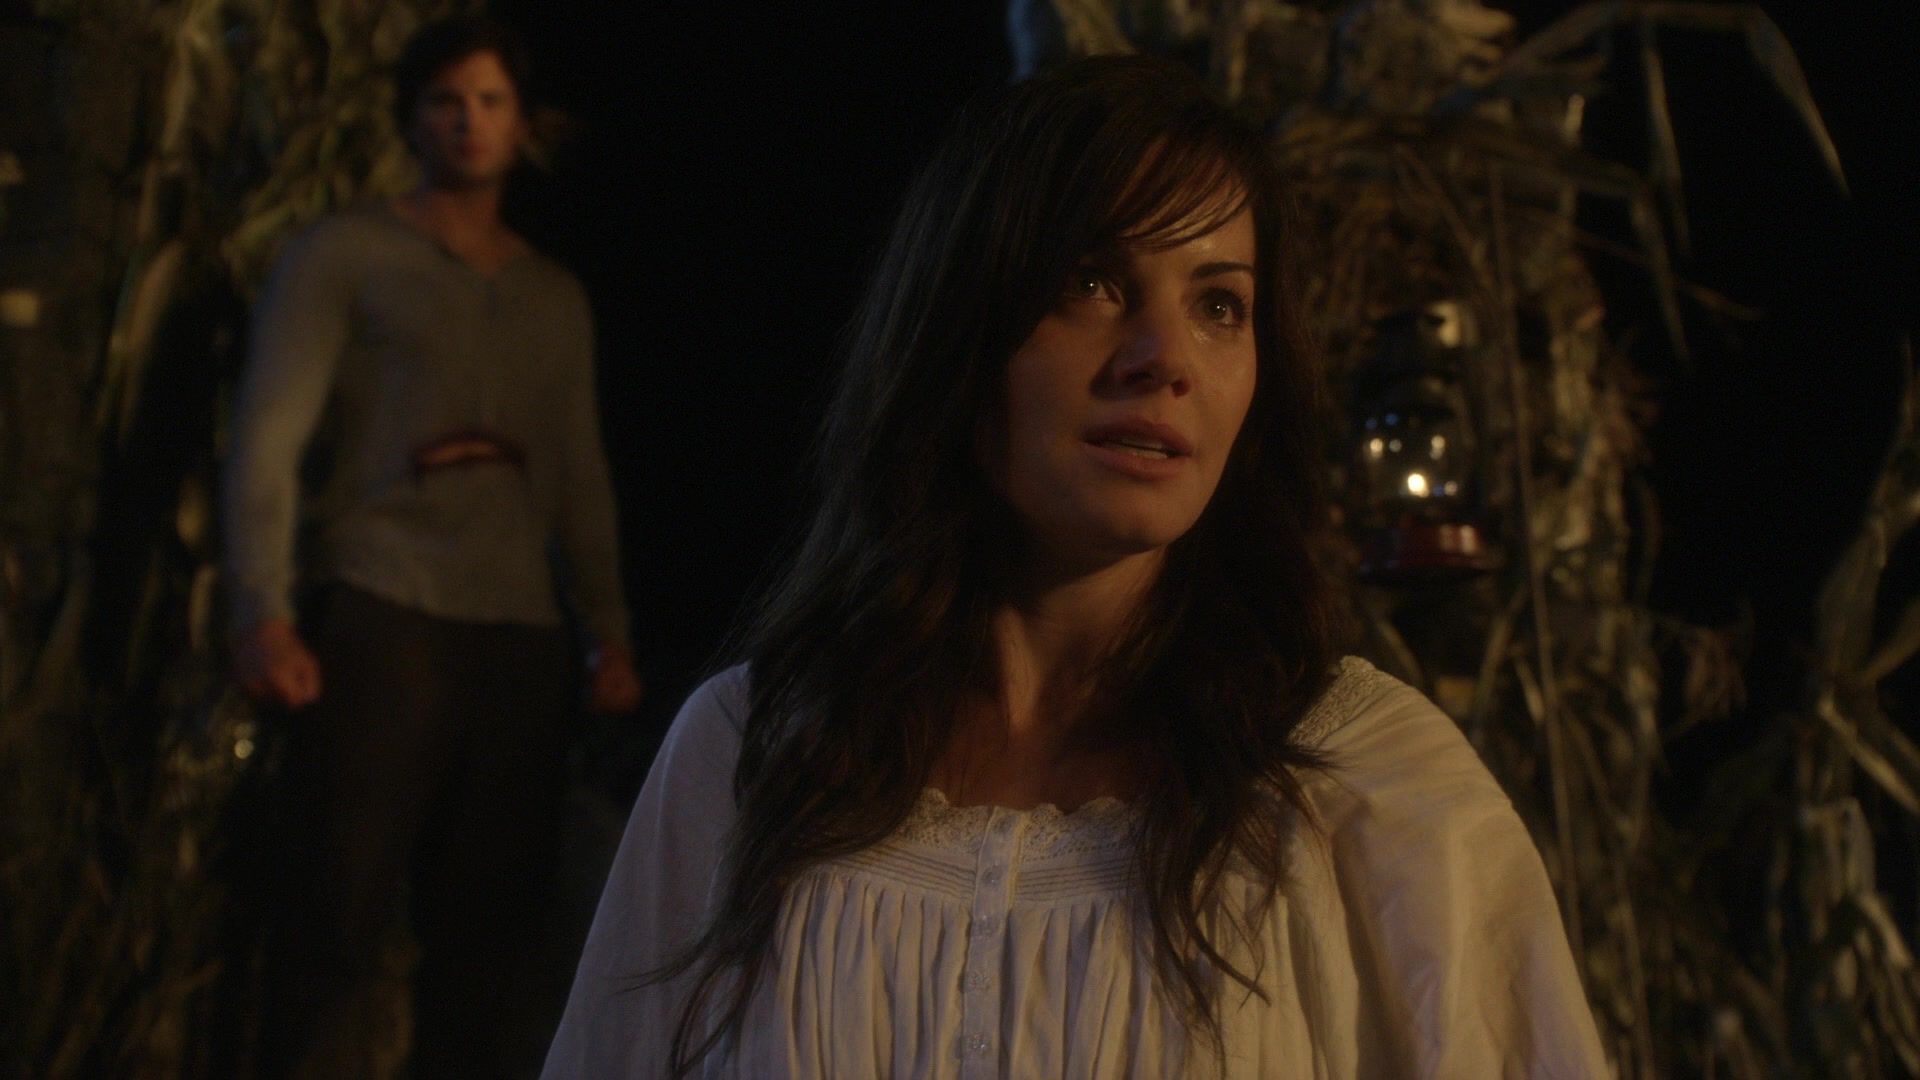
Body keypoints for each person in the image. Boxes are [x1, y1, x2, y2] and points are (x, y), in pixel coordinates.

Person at [543, 56, 1607, 1078]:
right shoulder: (752, 757)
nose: (1165, 357)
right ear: (961, 329)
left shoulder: (1361, 784)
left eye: (1219, 304)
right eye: (1092, 281)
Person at [222, 16, 641, 1079]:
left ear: (522, 122)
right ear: (412, 118)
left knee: (489, 948)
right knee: (336, 918)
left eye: (491, 101)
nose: (469, 121)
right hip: (385, 604)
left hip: (518, 631)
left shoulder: (552, 295)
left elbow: (580, 474)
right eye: (447, 101)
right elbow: (269, 433)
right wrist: (262, 609)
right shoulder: (346, 255)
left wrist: (608, 630)